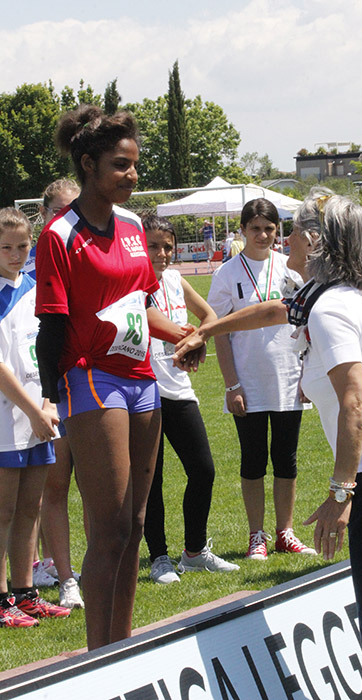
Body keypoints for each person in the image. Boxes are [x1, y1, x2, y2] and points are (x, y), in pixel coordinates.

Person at [174, 187, 362, 699]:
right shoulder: (334, 299)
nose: (282, 240)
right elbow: (270, 311)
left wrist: (341, 492)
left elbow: (356, 404)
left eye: (291, 231)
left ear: (313, 242)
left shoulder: (328, 310)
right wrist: (208, 330)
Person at [34, 104, 196, 650]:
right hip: (90, 379)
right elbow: (51, 327)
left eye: (134, 164)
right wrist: (49, 397)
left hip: (143, 377)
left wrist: (182, 336)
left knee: (135, 524)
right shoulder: (59, 234)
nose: (132, 175)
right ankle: (98, 659)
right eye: (120, 165)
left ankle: (123, 650)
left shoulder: (131, 226)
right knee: (110, 529)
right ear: (88, 165)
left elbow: (140, 305)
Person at [207, 198, 315, 560]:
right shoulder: (227, 274)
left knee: (286, 459)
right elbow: (220, 333)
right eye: (255, 228)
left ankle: (286, 532)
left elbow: (307, 324)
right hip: (248, 383)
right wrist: (232, 384)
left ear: (277, 230)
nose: (263, 235)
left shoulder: (291, 268)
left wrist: (306, 374)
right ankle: (257, 535)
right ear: (242, 230)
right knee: (253, 460)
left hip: (289, 378)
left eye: (269, 228)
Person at [141, 212, 239, 583]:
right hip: (145, 389)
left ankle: (195, 552)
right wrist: (185, 338)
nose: (162, 254)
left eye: (168, 246)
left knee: (203, 470)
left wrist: (198, 339)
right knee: (152, 479)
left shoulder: (175, 279)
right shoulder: (131, 284)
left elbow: (210, 315)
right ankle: (159, 558)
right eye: (153, 246)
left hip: (179, 390)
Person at [0, 208, 70, 628]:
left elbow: (48, 352)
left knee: (31, 507)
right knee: (3, 512)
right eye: (5, 247)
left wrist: (49, 403)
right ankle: (1, 599)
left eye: (22, 246)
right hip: (7, 419)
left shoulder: (35, 290)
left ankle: (25, 593)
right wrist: (33, 410)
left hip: (40, 416)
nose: (15, 254)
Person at [27, 179, 85, 610]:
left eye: (74, 211)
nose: (67, 219)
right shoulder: (23, 269)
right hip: (42, 394)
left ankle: (86, 569)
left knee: (97, 487)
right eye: (59, 210)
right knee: (51, 487)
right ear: (44, 214)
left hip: (89, 386)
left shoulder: (86, 259)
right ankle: (59, 574)